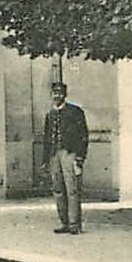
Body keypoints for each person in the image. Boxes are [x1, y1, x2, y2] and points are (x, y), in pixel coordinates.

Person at [44, 81, 88, 235]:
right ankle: (64, 223)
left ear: (65, 95)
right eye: (55, 93)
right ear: (51, 95)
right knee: (58, 189)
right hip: (54, 154)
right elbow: (46, 138)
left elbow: (83, 135)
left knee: (72, 189)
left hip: (69, 153)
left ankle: (75, 224)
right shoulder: (50, 114)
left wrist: (80, 157)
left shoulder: (75, 112)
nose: (57, 96)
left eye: (60, 93)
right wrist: (46, 160)